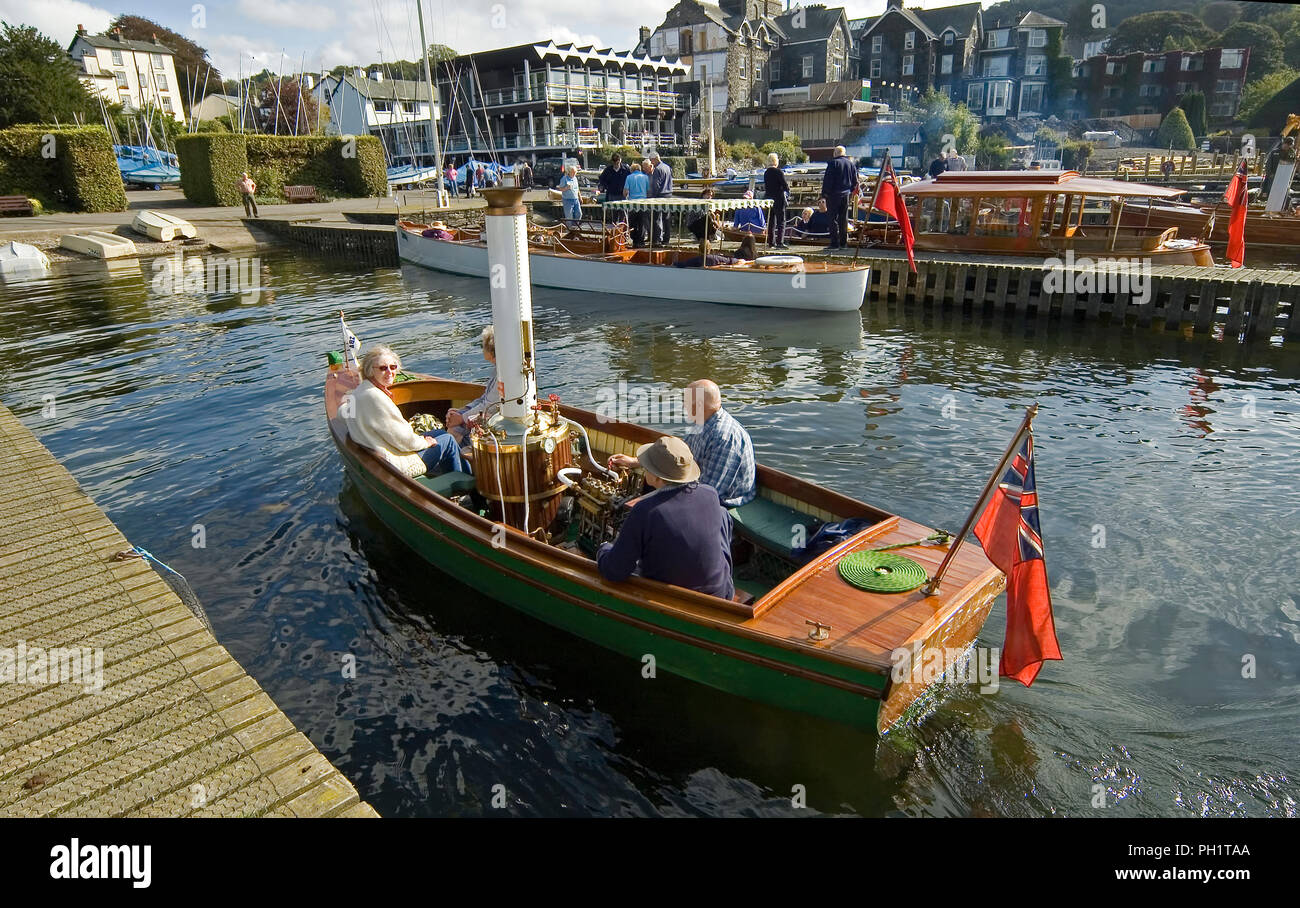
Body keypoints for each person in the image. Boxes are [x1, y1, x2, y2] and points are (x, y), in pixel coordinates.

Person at [596, 435, 734, 600]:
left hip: (673, 600)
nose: (645, 468)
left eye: (647, 466)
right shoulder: (710, 493)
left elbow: (614, 571)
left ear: (657, 478)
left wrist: (603, 549)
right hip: (722, 593)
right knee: (723, 514)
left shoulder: (645, 511)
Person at [608, 379, 755, 508]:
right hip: (697, 485)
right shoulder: (703, 420)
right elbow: (680, 454)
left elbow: (709, 491)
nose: (683, 407)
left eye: (685, 401)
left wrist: (656, 500)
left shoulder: (725, 439)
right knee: (650, 483)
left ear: (698, 405)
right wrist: (636, 461)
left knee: (648, 503)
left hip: (722, 502)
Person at [342, 345, 470, 478]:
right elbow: (404, 441)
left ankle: (456, 475)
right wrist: (425, 442)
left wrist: (424, 440)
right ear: (370, 370)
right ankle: (465, 485)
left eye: (393, 367)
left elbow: (343, 414)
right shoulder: (375, 397)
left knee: (441, 433)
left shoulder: (359, 391)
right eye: (382, 368)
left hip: (381, 453)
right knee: (448, 440)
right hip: (396, 464)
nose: (389, 372)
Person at [444, 326, 500, 446]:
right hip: (487, 415)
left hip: (493, 421)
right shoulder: (498, 370)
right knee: (454, 424)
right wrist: (461, 412)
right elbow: (484, 399)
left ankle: (456, 458)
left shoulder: (502, 374)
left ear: (491, 352)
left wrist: (461, 418)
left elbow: (489, 406)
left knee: (455, 430)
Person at [819, 145, 857, 250]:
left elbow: (828, 180)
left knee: (832, 219)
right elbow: (855, 181)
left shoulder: (832, 163)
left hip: (833, 195)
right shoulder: (851, 164)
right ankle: (844, 243)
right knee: (843, 219)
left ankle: (834, 243)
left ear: (835, 153)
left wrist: (824, 195)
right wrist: (851, 190)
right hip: (846, 194)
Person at [763, 152, 791, 248]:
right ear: (776, 161)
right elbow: (785, 185)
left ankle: (771, 242)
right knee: (781, 221)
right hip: (778, 199)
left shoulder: (766, 173)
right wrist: (788, 192)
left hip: (769, 199)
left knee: (771, 222)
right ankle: (780, 242)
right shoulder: (779, 172)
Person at [624, 159, 651, 247]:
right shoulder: (645, 177)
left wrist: (625, 197)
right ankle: (641, 241)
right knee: (642, 222)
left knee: (633, 222)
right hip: (643, 202)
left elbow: (625, 191)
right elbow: (648, 190)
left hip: (632, 203)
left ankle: (635, 240)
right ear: (640, 169)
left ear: (632, 170)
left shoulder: (629, 177)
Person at [649, 151, 674, 244]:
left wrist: (652, 196)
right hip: (669, 194)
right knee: (666, 218)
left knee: (656, 218)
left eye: (651, 161)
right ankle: (666, 239)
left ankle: (656, 239)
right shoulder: (667, 167)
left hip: (660, 195)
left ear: (655, 159)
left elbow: (656, 185)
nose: (651, 163)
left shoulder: (657, 169)